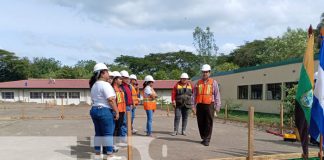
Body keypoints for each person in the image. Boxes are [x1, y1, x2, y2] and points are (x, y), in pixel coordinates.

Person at [89, 63, 121, 160]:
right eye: (107, 72)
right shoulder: (105, 85)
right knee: (108, 133)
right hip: (104, 110)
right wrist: (117, 111)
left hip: (94, 109)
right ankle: (110, 155)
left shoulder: (94, 85)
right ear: (102, 73)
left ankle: (98, 154)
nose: (108, 74)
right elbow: (111, 99)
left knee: (98, 133)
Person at [192, 64, 221, 146]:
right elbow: (194, 95)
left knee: (209, 122)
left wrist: (217, 106)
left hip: (209, 105)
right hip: (200, 105)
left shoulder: (214, 82)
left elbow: (217, 95)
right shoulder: (198, 83)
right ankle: (204, 137)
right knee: (200, 122)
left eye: (206, 72)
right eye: (203, 72)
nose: (205, 73)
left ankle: (207, 139)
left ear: (209, 72)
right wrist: (193, 106)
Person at [111, 71, 126, 149]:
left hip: (122, 110)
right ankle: (113, 144)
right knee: (115, 128)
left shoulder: (120, 88)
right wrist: (115, 111)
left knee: (119, 127)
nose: (121, 80)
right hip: (117, 111)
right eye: (120, 79)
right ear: (115, 79)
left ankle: (116, 143)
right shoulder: (112, 88)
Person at [119, 70, 133, 146]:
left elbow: (129, 97)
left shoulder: (128, 86)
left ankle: (125, 138)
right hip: (124, 107)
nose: (128, 79)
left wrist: (131, 104)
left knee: (127, 123)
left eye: (128, 78)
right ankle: (123, 139)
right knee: (123, 123)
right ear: (122, 78)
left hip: (128, 107)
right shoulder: (121, 87)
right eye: (126, 78)